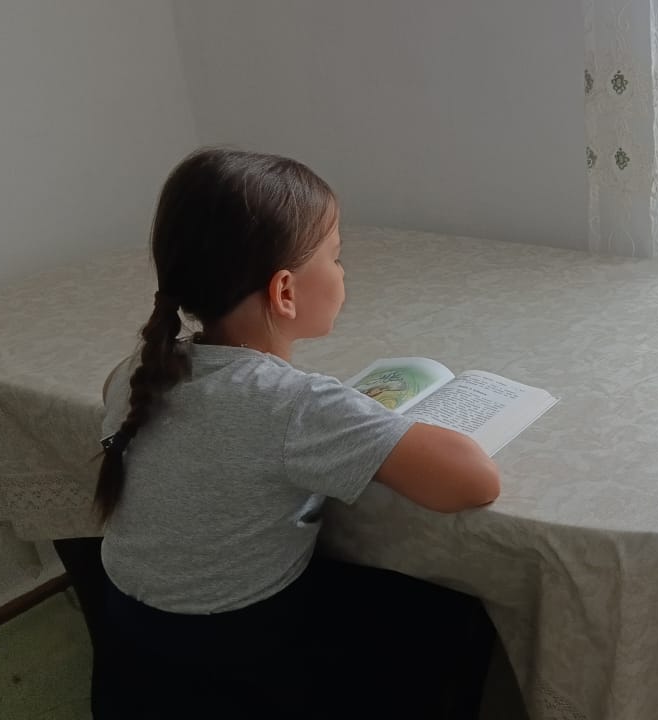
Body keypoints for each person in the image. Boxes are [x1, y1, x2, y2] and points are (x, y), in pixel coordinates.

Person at [94, 147, 499, 719]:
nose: (343, 271)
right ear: (285, 291)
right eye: (336, 256)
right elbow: (474, 481)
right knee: (454, 610)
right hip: (238, 663)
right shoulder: (293, 405)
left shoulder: (138, 370)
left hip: (129, 655)